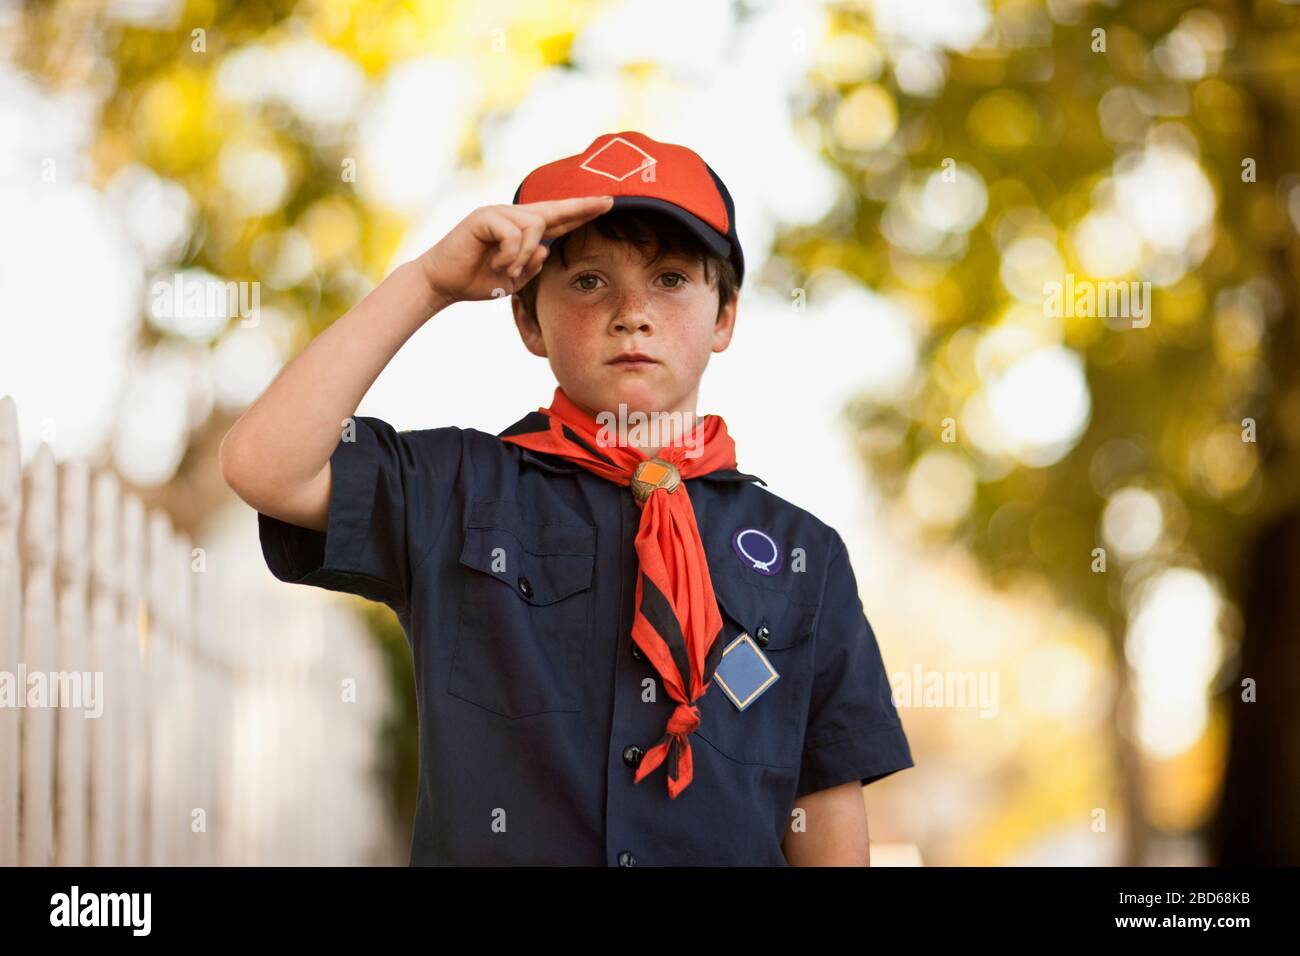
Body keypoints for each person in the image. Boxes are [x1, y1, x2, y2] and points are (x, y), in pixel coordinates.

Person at [220, 130, 914, 866]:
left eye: (671, 279)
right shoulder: (457, 486)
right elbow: (266, 466)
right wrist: (427, 284)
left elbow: (826, 817)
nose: (631, 313)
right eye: (588, 281)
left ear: (724, 318)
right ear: (527, 319)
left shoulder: (806, 555)